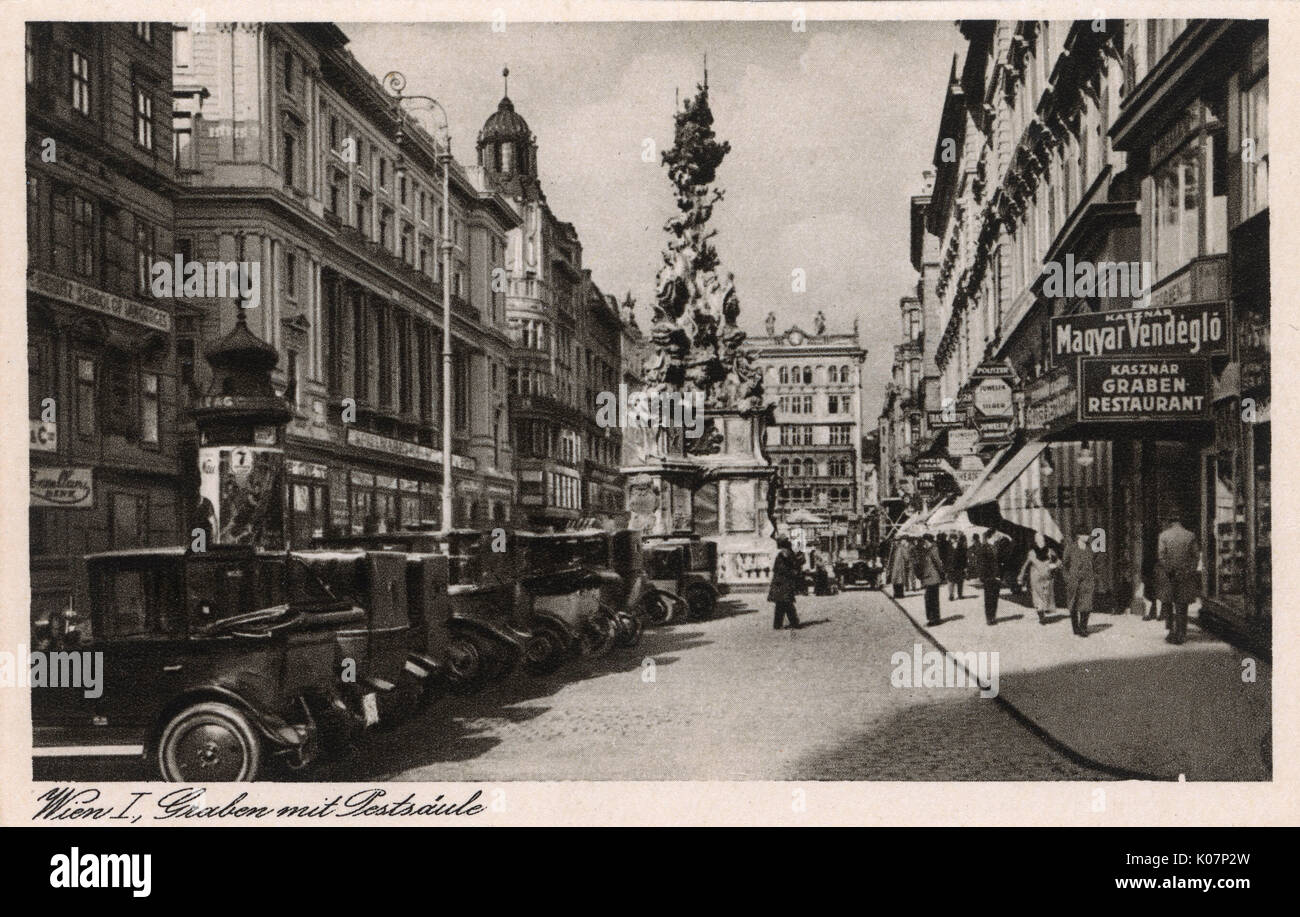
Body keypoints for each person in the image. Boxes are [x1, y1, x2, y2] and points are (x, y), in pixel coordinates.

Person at [1157, 514, 1200, 644]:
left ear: (1170, 522)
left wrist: (1169, 569)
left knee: (1168, 603)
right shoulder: (1190, 535)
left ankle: (1171, 631)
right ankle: (1181, 632)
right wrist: (1189, 570)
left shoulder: (1163, 535)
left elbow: (1161, 555)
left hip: (1169, 575)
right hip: (1185, 574)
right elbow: (1195, 556)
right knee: (1182, 604)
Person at [1062, 525, 1098, 636]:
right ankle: (1075, 628)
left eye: (1088, 534)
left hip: (1087, 581)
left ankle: (1083, 628)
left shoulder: (1090, 549)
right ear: (1078, 536)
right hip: (1073, 581)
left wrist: (1094, 577)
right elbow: (1065, 564)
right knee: (1073, 604)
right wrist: (1067, 578)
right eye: (1084, 534)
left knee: (1086, 604)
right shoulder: (1071, 548)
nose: (1087, 537)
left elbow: (1095, 564)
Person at [1019, 532, 1061, 625]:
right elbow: (1025, 565)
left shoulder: (1049, 551)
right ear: (1036, 541)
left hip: (1046, 577)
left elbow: (1059, 561)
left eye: (1042, 539)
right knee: (1037, 596)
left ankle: (1043, 612)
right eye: (1039, 539)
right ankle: (1041, 616)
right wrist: (1020, 576)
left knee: (1045, 595)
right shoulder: (1033, 552)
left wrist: (1054, 565)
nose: (1041, 541)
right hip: (1037, 578)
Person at [767, 536, 802, 630]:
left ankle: (778, 625)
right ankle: (794, 623)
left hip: (782, 583)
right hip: (782, 583)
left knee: (781, 605)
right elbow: (781, 569)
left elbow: (794, 563)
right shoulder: (782, 555)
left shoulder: (785, 554)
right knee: (787, 604)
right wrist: (793, 572)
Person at [915, 533, 946, 626]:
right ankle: (933, 618)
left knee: (932, 598)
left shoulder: (933, 549)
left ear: (927, 541)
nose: (923, 543)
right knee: (930, 598)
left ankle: (934, 619)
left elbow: (938, 563)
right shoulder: (928, 549)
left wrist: (941, 574)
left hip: (933, 577)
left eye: (924, 541)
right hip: (929, 577)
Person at [973, 529, 1002, 625]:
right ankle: (989, 618)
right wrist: (983, 577)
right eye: (996, 535)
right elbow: (981, 563)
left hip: (997, 576)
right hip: (988, 577)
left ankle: (993, 616)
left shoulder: (997, 547)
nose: (998, 536)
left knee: (995, 597)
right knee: (989, 598)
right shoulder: (984, 548)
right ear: (991, 536)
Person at [948, 533, 968, 600]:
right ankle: (951, 595)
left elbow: (964, 557)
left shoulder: (961, 546)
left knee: (960, 581)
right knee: (951, 582)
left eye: (952, 539)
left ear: (955, 539)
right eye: (951, 539)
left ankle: (960, 595)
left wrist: (965, 566)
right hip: (951, 566)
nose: (951, 540)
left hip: (959, 566)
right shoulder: (948, 546)